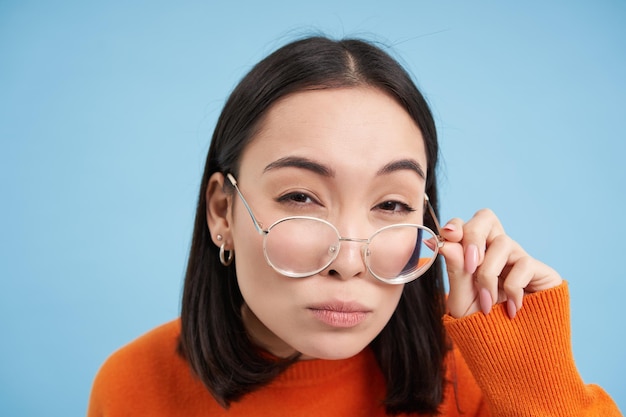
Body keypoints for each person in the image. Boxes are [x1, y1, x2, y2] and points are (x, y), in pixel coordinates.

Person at [87, 36, 621, 416]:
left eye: (391, 205)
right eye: (300, 197)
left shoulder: (478, 375)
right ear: (223, 211)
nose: (347, 263)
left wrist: (539, 384)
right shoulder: (133, 385)